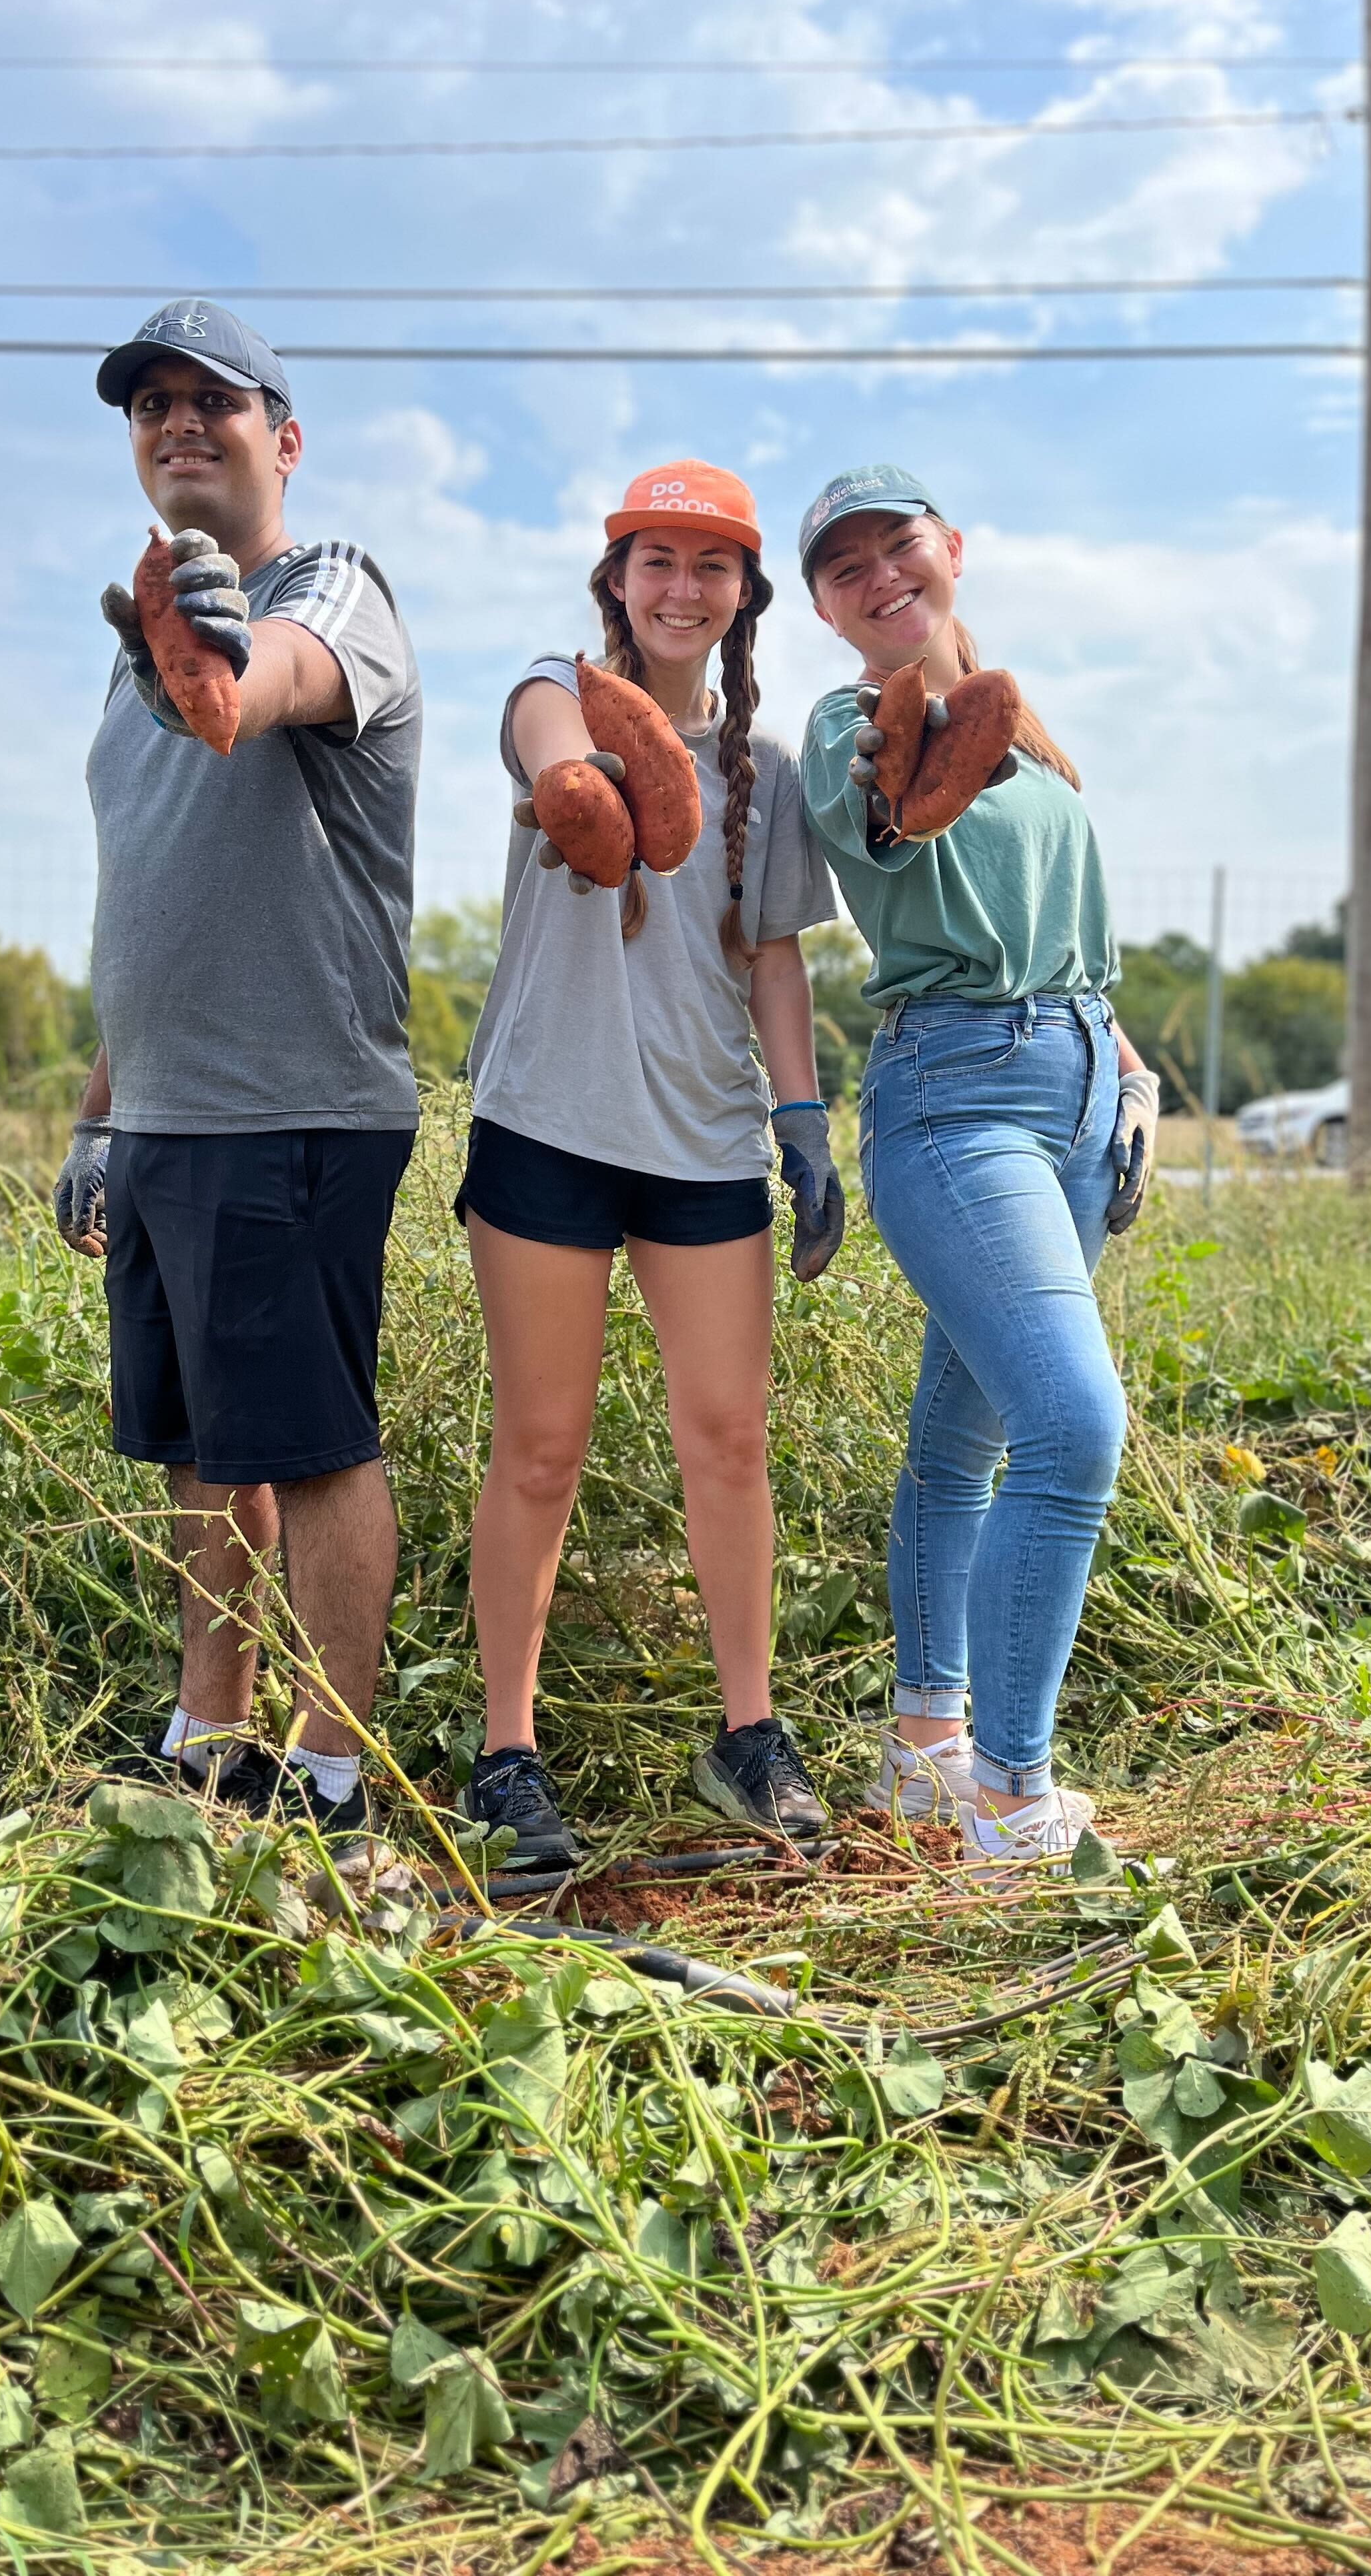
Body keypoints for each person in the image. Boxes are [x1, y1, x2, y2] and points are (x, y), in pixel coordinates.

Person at [52, 299, 422, 1835]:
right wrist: (100, 1113)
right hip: (169, 1119)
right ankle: (216, 1737)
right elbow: (154, 898)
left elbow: (261, 688)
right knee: (207, 1456)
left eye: (216, 401)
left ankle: (337, 1774)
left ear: (285, 435)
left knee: (315, 1446)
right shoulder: (140, 638)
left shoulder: (329, 589)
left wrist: (209, 652)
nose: (180, 424)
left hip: (296, 1106)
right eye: (152, 407)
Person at [455, 461, 846, 1869]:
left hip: (702, 1142)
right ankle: (507, 1756)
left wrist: (803, 1122)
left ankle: (748, 1735)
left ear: (743, 596)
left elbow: (776, 958)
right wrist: (586, 782)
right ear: (617, 578)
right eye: (655, 561)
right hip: (548, 1123)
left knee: (728, 1439)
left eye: (711, 566)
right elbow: (549, 741)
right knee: (542, 1448)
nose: (682, 589)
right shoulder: (544, 695)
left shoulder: (774, 774)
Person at [797, 464, 1159, 1872]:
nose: (880, 577)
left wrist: (1126, 1075)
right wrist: (913, 751)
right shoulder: (845, 727)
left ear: (952, 550)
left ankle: (925, 1748)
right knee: (1076, 1429)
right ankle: (1013, 1801)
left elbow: (1057, 935)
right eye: (845, 569)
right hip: (955, 1100)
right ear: (826, 607)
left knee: (967, 1439)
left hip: (1076, 1088)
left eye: (900, 548)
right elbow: (889, 807)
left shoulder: (1036, 734)